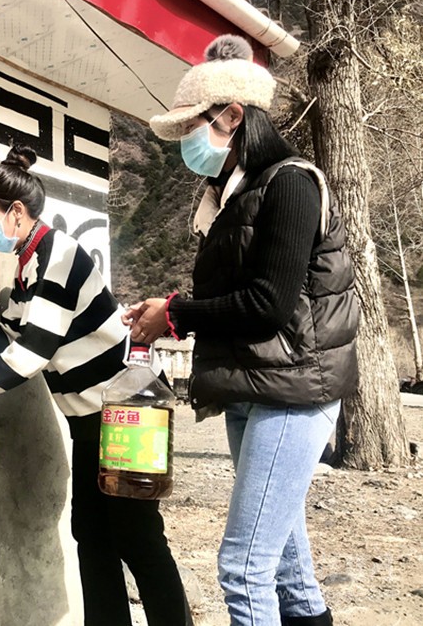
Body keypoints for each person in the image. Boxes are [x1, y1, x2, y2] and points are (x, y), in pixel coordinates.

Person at [123, 35, 358, 626]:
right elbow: (231, 299)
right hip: (249, 385)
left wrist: (175, 314)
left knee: (243, 567)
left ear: (232, 116)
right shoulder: (230, 197)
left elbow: (268, 305)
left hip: (293, 390)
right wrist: (170, 308)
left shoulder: (292, 184)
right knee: (289, 573)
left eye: (192, 126)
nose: (187, 141)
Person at [0, 146, 193, 626]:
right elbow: (8, 333)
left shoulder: (59, 255)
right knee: (92, 533)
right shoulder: (28, 264)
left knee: (138, 537)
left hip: (126, 412)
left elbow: (30, 355)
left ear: (16, 212)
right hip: (91, 419)